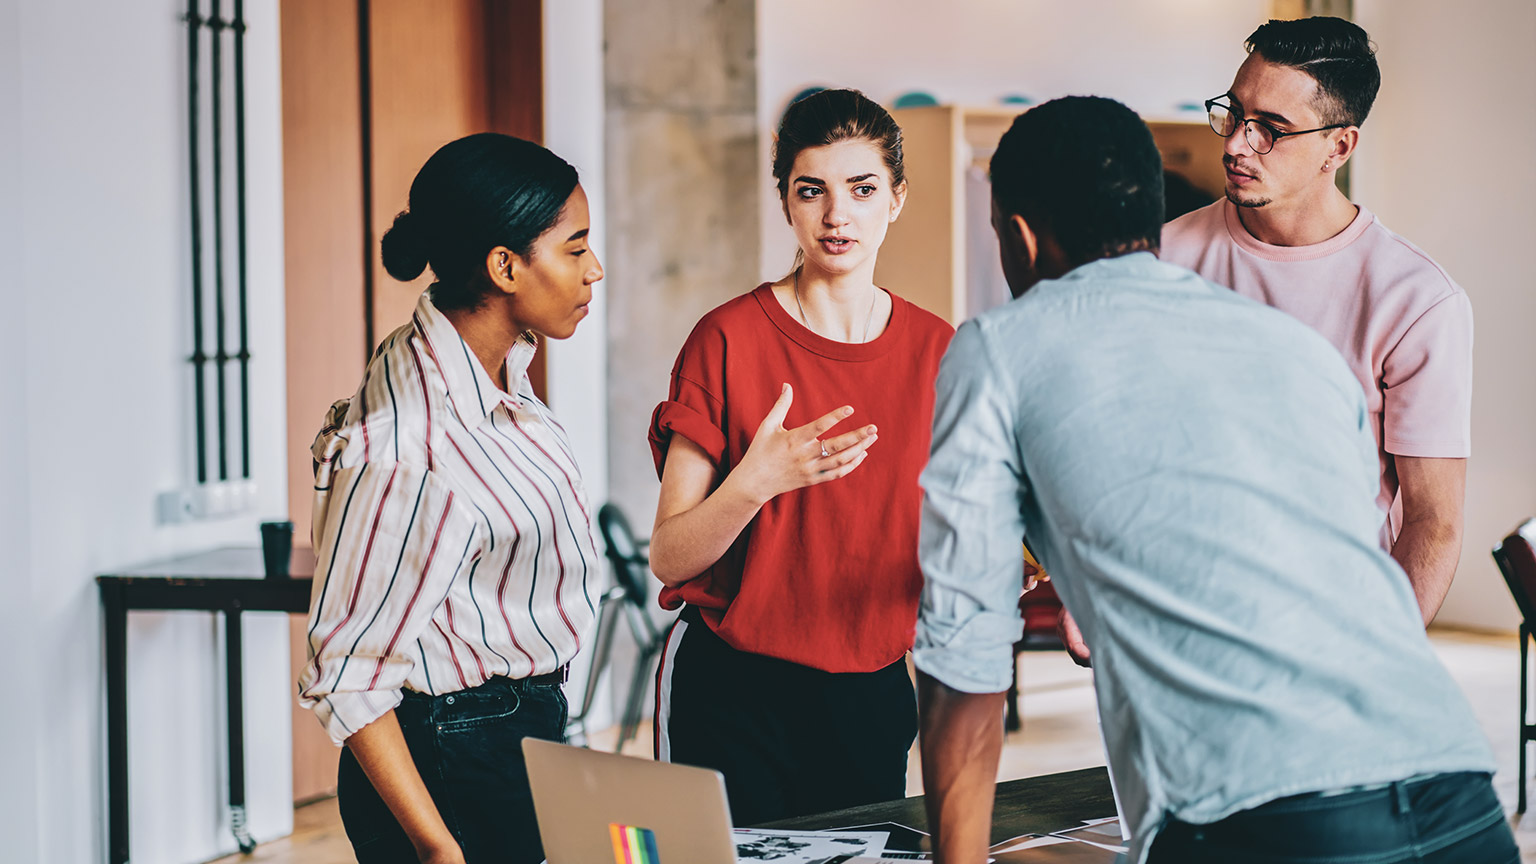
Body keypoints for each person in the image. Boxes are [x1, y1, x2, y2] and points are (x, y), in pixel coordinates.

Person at [914, 96, 1512, 864]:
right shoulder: (1289, 347)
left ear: (1020, 236)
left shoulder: (997, 347)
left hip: (1272, 815)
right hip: (1457, 790)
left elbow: (963, 652)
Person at [647, 88, 954, 825]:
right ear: (785, 201)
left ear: (897, 199)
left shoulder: (939, 351)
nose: (837, 215)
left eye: (862, 189)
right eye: (810, 190)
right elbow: (669, 555)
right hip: (730, 692)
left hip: (870, 692)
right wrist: (753, 484)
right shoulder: (725, 340)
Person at [298, 133, 604, 864]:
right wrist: (439, 849)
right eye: (575, 248)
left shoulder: (483, 373)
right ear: (505, 266)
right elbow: (345, 671)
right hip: (453, 755)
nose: (596, 270)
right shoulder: (412, 443)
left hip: (501, 734)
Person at [1163, 16, 1472, 625]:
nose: (1233, 144)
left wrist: (1381, 660)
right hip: (1172, 624)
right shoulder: (1158, 258)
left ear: (1340, 146)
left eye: (1270, 130)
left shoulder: (1416, 300)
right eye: (1233, 113)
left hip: (1329, 630)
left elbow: (1434, 523)